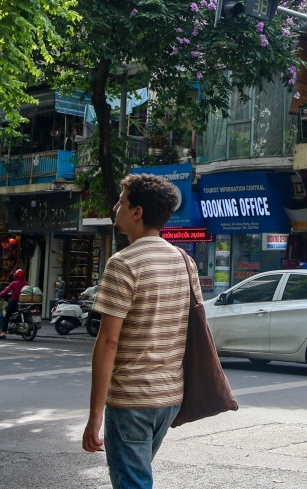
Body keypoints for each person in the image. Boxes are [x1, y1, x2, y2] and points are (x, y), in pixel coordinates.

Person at [82, 173, 199, 489]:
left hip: (131, 401)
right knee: (137, 476)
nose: (115, 206)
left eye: (122, 201)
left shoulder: (123, 264)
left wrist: (94, 416)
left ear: (137, 212)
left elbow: (108, 342)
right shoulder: (185, 262)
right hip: (169, 398)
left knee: (132, 483)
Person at [0, 268, 29, 339]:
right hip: (24, 303)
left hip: (14, 302)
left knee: (7, 316)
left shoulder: (14, 283)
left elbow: (5, 291)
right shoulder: (26, 284)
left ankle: (3, 333)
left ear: (16, 276)